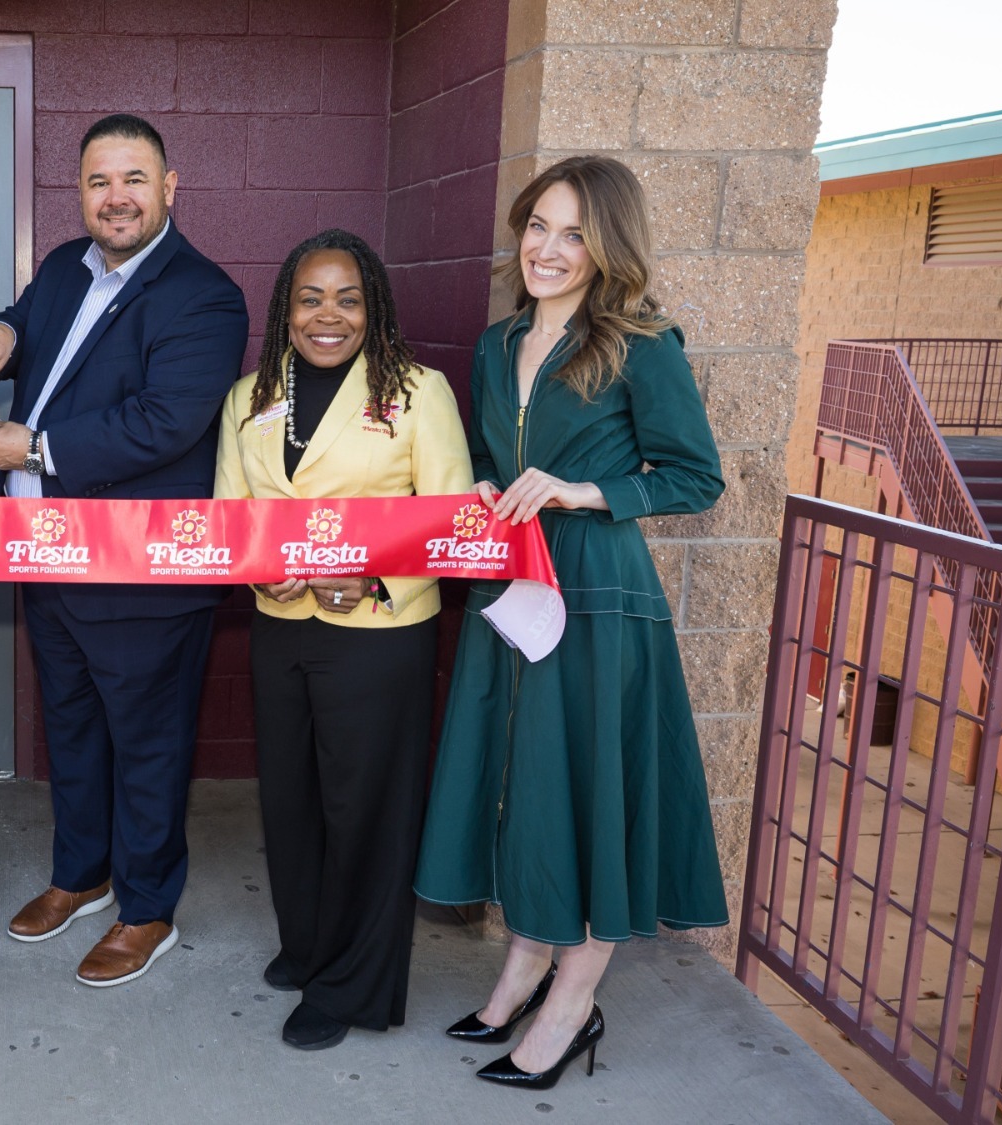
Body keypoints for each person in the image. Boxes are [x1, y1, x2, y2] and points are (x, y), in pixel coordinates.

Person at [412, 155, 728, 1089]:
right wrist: (478, 474)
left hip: (597, 598)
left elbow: (695, 476)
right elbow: (484, 443)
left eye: (574, 233)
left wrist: (582, 489)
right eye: (538, 225)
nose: (548, 249)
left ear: (607, 246)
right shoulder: (494, 339)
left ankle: (572, 1003)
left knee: (586, 792)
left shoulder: (641, 342)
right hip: (511, 587)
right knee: (525, 784)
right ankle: (522, 966)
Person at [0, 113, 248, 986]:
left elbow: (166, 421)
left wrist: (34, 449)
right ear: (79, 193)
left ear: (168, 188)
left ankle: (149, 909)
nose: (115, 197)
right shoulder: (59, 267)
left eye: (132, 179)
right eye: (97, 181)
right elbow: (31, 321)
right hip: (48, 556)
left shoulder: (204, 293)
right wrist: (3, 332)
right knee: (73, 729)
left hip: (141, 572)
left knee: (148, 745)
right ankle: (82, 877)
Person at [215, 229, 473, 1050]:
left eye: (348, 298)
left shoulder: (418, 391)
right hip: (280, 626)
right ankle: (309, 947)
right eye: (310, 298)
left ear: (375, 309)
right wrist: (258, 572)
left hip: (380, 631)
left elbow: (451, 522)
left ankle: (351, 986)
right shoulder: (249, 396)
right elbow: (233, 518)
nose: (329, 315)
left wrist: (374, 577)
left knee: (365, 811)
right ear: (285, 308)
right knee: (291, 802)